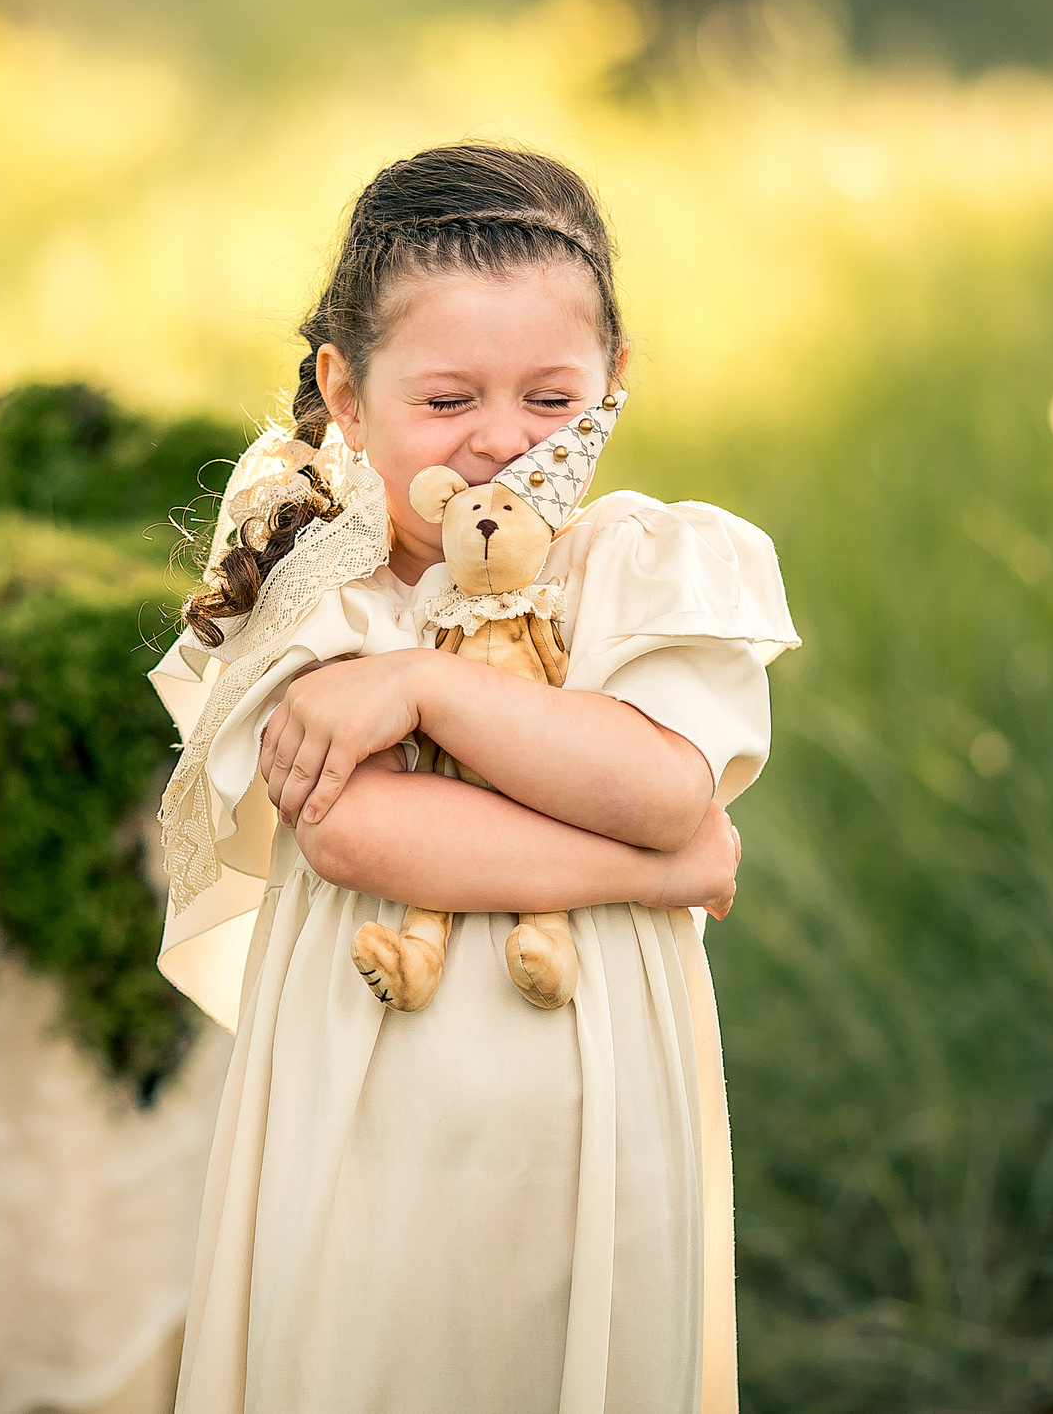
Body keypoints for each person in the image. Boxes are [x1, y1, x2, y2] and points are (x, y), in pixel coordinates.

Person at [148, 144, 798, 1414]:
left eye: (551, 400)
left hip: (602, 1095)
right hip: (371, 1085)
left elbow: (664, 781)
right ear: (346, 389)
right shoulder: (316, 585)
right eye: (446, 401)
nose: (503, 442)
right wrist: (672, 866)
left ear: (615, 376)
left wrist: (432, 689)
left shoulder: (641, 562)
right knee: (377, 1347)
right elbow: (359, 836)